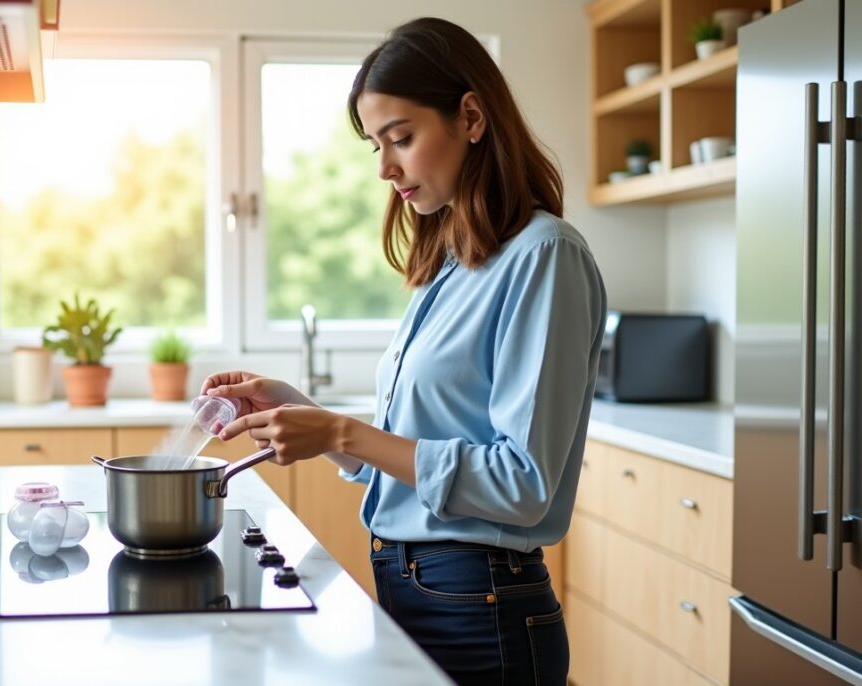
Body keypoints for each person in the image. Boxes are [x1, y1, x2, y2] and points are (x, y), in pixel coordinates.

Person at [201, 16, 606, 686]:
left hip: (482, 605)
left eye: (402, 139)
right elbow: (397, 456)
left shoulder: (545, 255)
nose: (387, 169)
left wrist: (340, 430)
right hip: (417, 586)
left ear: (471, 117)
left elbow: (523, 484)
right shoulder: (451, 260)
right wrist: (296, 409)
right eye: (376, 147)